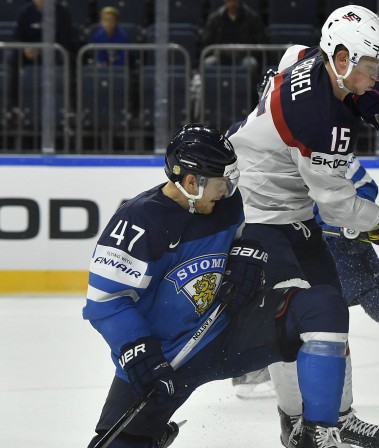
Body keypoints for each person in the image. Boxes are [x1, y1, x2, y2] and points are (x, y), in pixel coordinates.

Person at [226, 5, 379, 447]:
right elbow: (341, 207)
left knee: (331, 314)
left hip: (292, 211)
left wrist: (360, 95)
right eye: (371, 66)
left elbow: (291, 54)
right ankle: (295, 422)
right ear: (340, 58)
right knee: (287, 324)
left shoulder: (313, 61)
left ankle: (339, 415)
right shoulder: (322, 122)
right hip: (259, 214)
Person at [83, 124, 352, 448]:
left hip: (229, 332)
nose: (227, 189)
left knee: (322, 306)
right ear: (192, 182)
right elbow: (106, 302)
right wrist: (137, 350)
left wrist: (247, 254)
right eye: (221, 181)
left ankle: (317, 434)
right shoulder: (138, 222)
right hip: (164, 358)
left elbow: (250, 232)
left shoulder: (225, 202)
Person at [231, 156, 379, 402]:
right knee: (280, 304)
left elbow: (365, 185)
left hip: (339, 245)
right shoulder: (254, 138)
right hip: (285, 241)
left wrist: (342, 216)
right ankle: (255, 371)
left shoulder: (322, 139)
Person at [200, 0, 266, 70]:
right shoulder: (216, 18)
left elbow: (260, 43)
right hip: (221, 57)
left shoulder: (252, 18)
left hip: (244, 56)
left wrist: (247, 51)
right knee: (208, 63)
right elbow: (207, 42)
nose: (231, 3)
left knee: (250, 63)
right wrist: (215, 51)